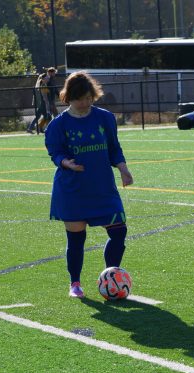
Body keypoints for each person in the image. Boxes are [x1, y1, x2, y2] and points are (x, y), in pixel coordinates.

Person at [45, 71, 133, 298]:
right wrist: (66, 163)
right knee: (76, 238)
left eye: (88, 98)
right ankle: (75, 284)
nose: (85, 103)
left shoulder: (105, 118)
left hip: (102, 187)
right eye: (80, 99)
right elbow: (55, 153)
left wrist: (123, 169)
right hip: (73, 189)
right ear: (69, 98)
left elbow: (114, 148)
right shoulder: (58, 125)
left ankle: (110, 276)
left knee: (119, 231)